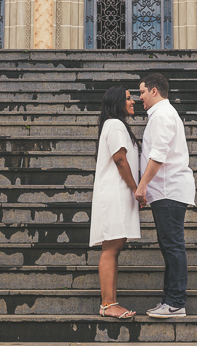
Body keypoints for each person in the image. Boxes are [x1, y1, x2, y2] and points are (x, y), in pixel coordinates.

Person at [134, 72, 195, 318]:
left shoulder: (162, 115)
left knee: (172, 246)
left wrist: (142, 185)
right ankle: (170, 299)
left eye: (141, 92)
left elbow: (158, 154)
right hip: (166, 190)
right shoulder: (162, 115)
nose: (140, 98)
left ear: (154, 91)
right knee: (169, 245)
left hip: (169, 190)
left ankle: (176, 302)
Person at [90, 85, 141, 319]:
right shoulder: (116, 125)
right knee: (111, 248)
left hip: (115, 194)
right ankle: (107, 304)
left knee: (114, 248)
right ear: (118, 102)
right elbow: (120, 159)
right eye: (128, 98)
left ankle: (110, 302)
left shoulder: (113, 125)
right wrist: (136, 188)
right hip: (115, 194)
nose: (133, 102)